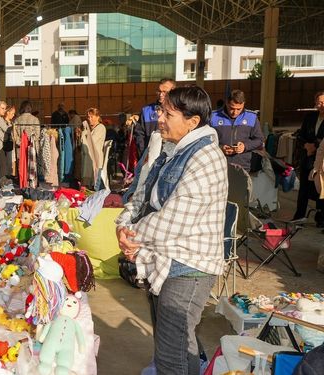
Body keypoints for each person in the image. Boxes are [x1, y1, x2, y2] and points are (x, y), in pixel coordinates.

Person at [115, 86, 227, 375]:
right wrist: (124, 226)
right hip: (164, 256)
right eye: (161, 111)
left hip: (189, 265)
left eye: (168, 113)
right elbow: (143, 194)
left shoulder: (206, 158)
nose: (160, 118)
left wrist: (134, 236)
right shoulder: (170, 150)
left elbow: (175, 218)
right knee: (177, 343)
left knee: (170, 353)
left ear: (193, 121)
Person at [210, 89, 264, 172]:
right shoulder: (213, 117)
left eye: (239, 109)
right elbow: (206, 140)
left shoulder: (251, 117)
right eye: (232, 108)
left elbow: (259, 140)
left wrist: (245, 146)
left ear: (243, 104)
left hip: (243, 166)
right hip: (218, 165)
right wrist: (220, 148)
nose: (235, 112)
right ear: (227, 103)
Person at [294, 91, 324, 226]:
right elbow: (300, 135)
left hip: (322, 160)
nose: (321, 105)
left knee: (321, 189)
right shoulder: (310, 117)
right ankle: (299, 216)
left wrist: (316, 145)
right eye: (319, 102)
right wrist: (306, 145)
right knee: (304, 189)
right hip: (308, 157)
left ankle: (321, 218)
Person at [134, 78, 176, 158]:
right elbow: (139, 135)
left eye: (165, 92)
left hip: (172, 157)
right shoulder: (146, 111)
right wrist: (144, 155)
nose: (161, 94)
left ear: (173, 91)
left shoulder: (179, 112)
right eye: (159, 91)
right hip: (150, 157)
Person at [80, 108, 107, 188]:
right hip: (90, 162)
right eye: (88, 117)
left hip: (96, 162)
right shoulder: (92, 129)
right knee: (90, 188)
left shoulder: (100, 128)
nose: (89, 119)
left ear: (98, 117)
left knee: (96, 188)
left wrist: (84, 132)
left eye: (92, 117)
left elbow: (90, 143)